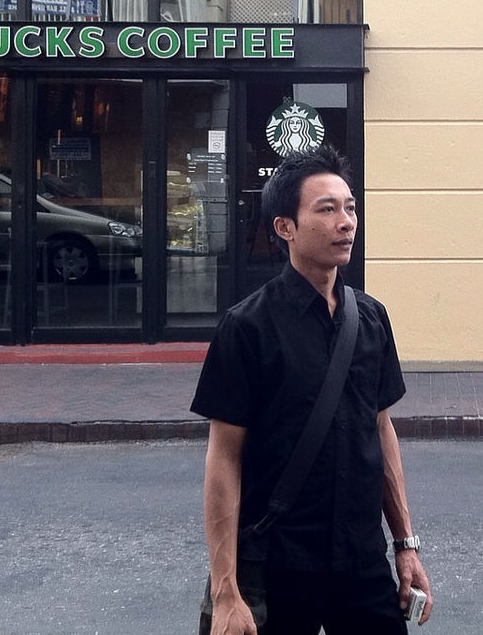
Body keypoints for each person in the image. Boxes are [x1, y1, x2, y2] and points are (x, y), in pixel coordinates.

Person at [191, 145, 432, 634]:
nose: (346, 223)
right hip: (279, 567)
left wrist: (405, 545)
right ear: (286, 227)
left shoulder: (371, 317)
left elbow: (380, 429)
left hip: (362, 562)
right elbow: (223, 459)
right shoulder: (247, 327)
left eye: (350, 208)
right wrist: (225, 591)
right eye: (327, 210)